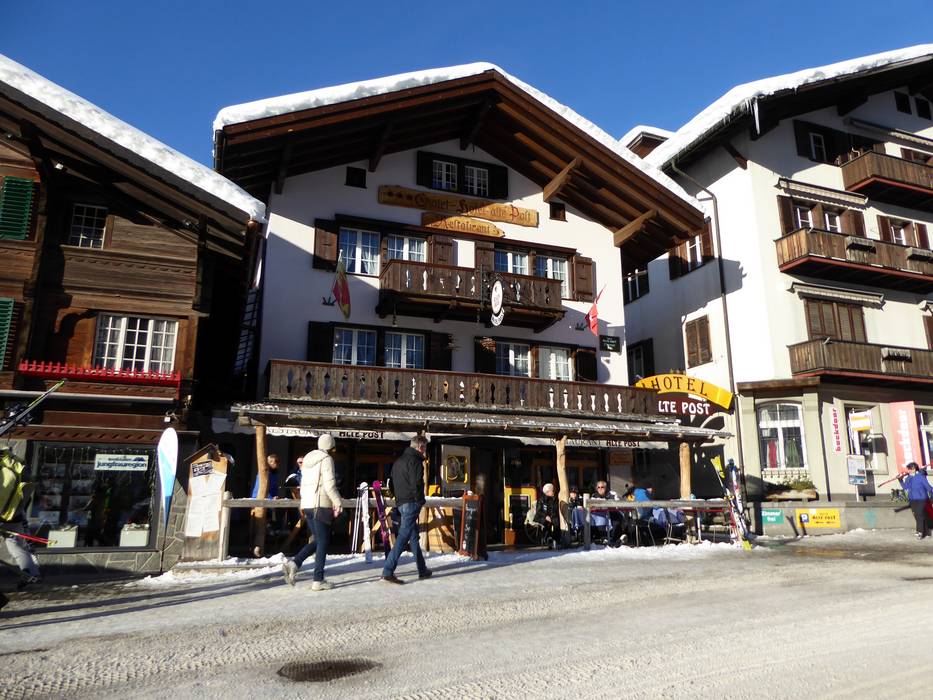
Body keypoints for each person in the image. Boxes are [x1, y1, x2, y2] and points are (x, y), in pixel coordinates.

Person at [281, 436, 343, 590]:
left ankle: (294, 563)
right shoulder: (326, 459)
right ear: (331, 447)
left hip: (308, 504)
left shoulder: (308, 460)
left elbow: (303, 483)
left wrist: (304, 502)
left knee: (318, 540)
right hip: (320, 504)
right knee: (323, 541)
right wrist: (337, 502)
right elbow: (329, 485)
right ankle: (318, 579)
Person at [381, 436, 432, 584]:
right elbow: (417, 484)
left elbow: (390, 483)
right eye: (425, 448)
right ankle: (388, 571)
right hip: (411, 502)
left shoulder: (398, 461)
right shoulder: (415, 461)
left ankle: (422, 569)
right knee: (403, 537)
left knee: (413, 536)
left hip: (401, 502)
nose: (425, 451)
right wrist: (420, 500)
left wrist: (398, 497)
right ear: (420, 447)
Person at [1, 450, 41, 598]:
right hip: (15, 514)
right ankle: (30, 572)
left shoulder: (4, 467)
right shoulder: (16, 463)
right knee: (16, 546)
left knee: (15, 545)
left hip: (3, 514)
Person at [898, 462, 933, 539]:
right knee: (917, 515)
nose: (909, 470)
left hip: (921, 499)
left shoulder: (921, 477)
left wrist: (932, 495)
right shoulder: (908, 478)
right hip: (912, 499)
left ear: (914, 469)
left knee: (919, 514)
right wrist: (900, 480)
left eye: (911, 469)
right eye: (908, 469)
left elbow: (928, 487)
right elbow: (905, 487)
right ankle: (927, 532)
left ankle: (920, 532)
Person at [533, 483, 561, 547]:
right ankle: (547, 539)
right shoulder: (541, 500)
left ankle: (556, 539)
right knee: (547, 523)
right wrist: (545, 516)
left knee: (556, 522)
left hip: (552, 516)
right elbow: (538, 511)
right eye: (552, 490)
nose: (553, 491)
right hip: (542, 517)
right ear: (547, 492)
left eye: (553, 490)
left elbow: (556, 510)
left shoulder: (555, 499)